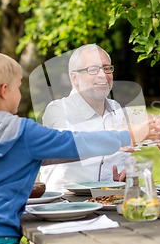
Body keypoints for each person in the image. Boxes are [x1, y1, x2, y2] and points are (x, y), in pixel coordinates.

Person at [0, 50, 143, 244]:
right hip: (0, 239)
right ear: (4, 91)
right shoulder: (24, 132)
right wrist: (129, 136)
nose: (20, 93)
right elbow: (76, 143)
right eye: (18, 87)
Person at [40, 44, 132, 191]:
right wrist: (122, 138)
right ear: (74, 78)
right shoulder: (57, 110)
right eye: (93, 69)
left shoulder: (116, 108)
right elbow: (72, 146)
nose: (103, 75)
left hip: (109, 200)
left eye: (106, 68)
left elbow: (126, 158)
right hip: (65, 204)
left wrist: (127, 173)